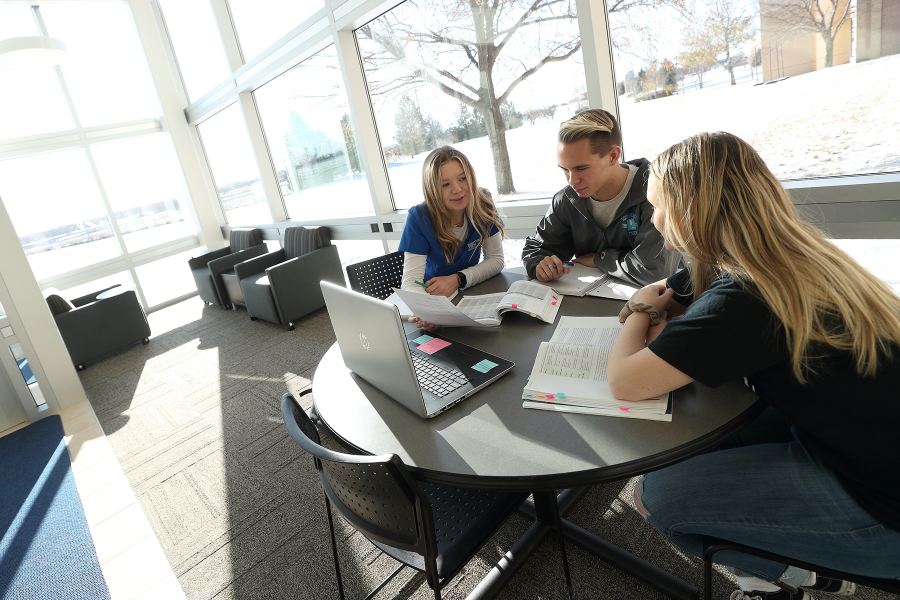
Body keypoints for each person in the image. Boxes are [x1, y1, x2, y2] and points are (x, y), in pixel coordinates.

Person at [607, 132, 900, 600]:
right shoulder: (784, 253)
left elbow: (624, 381)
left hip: (882, 510)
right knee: (695, 447)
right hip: (860, 446)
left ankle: (788, 574)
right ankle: (805, 570)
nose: (654, 221)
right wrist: (665, 312)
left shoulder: (746, 296)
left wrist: (640, 310)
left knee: (655, 497)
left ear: (692, 213)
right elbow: (677, 289)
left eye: (658, 207)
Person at [521, 109, 682, 286]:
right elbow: (536, 249)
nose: (572, 180)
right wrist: (539, 265)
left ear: (613, 156)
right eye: (565, 169)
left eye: (581, 168)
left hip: (663, 303)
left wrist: (601, 258)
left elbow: (655, 271)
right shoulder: (567, 199)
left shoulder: (657, 195)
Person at [399, 145, 504, 303]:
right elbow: (410, 283)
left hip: (467, 291)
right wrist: (428, 309)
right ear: (432, 190)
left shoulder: (483, 202)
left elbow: (496, 260)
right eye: (445, 184)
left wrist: (458, 279)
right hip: (432, 296)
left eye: (462, 178)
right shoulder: (419, 218)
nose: (457, 189)